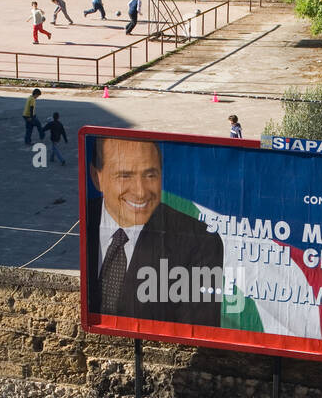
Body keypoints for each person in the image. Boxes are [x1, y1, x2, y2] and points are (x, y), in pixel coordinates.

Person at [86, 135, 224, 327]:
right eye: (125, 175)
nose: (141, 191)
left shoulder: (199, 241)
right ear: (96, 177)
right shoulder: (84, 221)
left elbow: (196, 333)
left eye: (150, 175)